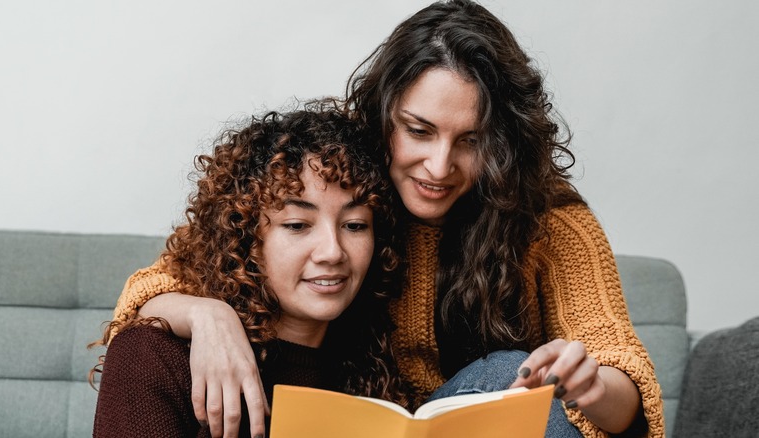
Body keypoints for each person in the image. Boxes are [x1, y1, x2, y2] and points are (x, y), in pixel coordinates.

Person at [104, 1, 664, 437]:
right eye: (419, 131)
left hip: (480, 420)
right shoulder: (343, 174)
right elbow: (170, 278)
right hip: (364, 414)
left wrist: (590, 386)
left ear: (503, 143)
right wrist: (206, 315)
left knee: (511, 377)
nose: (439, 166)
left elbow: (624, 377)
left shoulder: (548, 219)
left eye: (471, 141)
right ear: (385, 115)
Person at [91, 104, 407, 437]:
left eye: (355, 225)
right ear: (244, 237)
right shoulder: (154, 356)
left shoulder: (377, 366)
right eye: (297, 225)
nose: (333, 252)